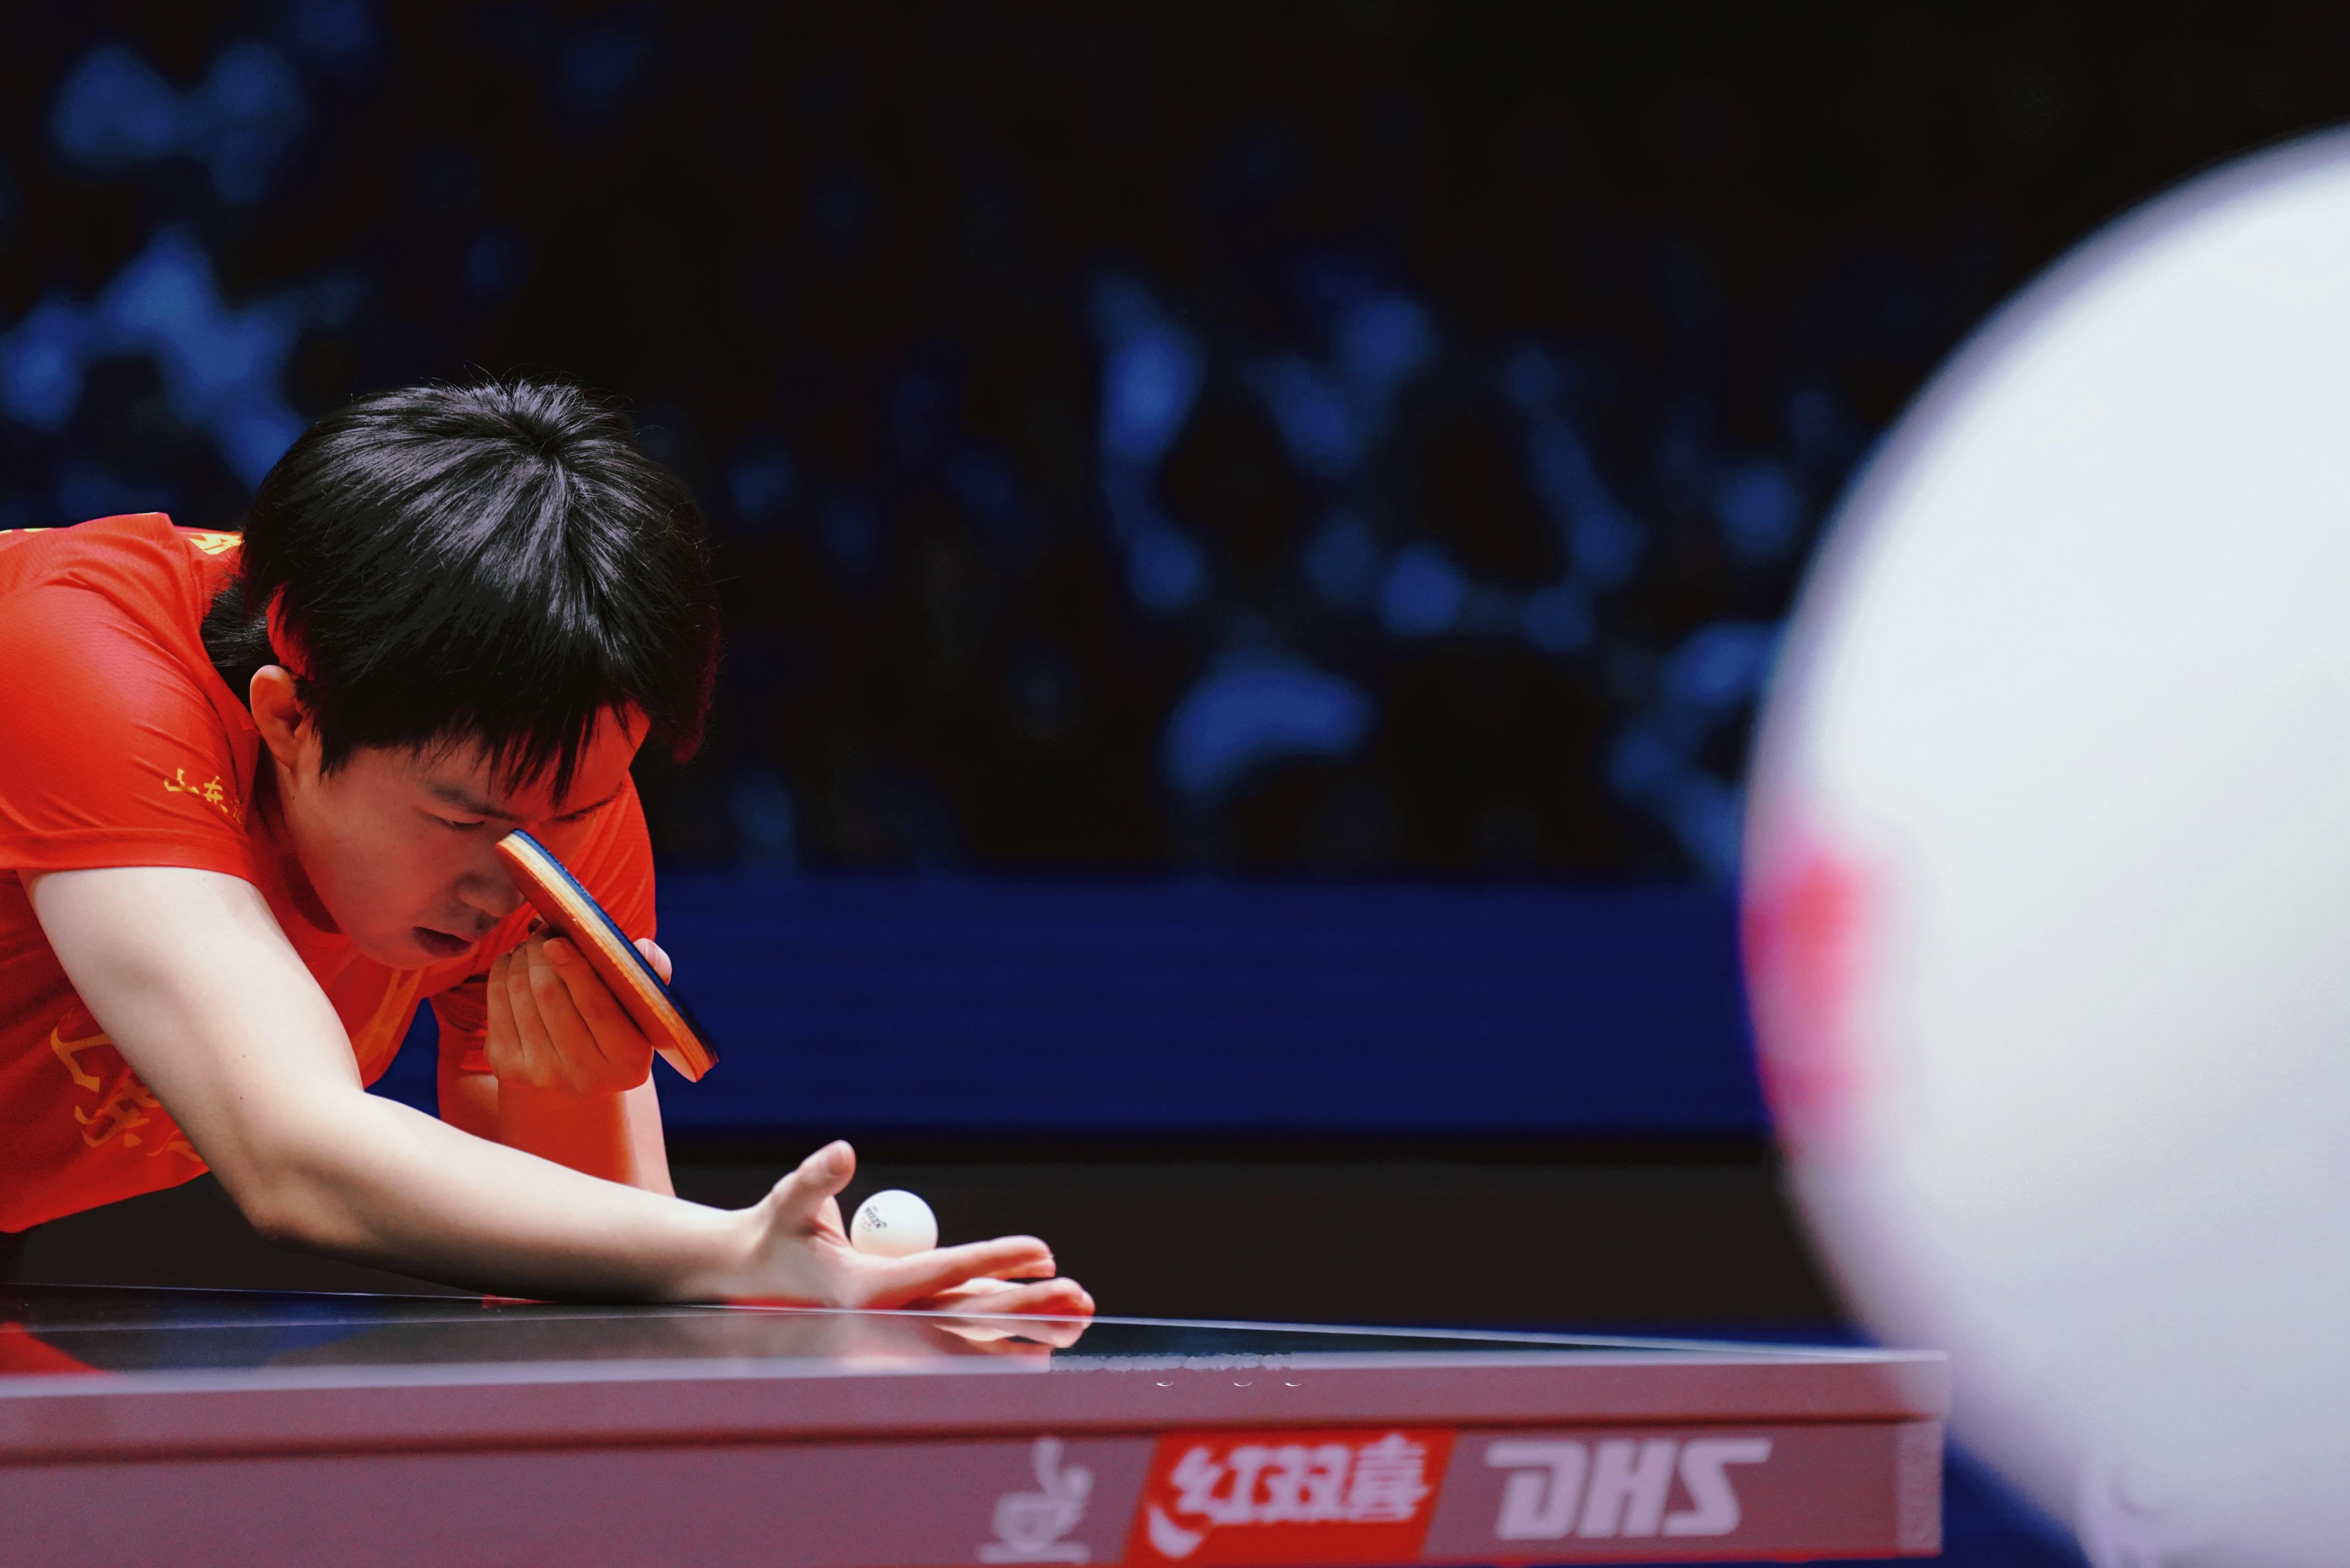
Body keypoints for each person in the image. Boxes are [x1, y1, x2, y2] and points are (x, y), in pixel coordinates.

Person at [0, 377, 1091, 1313]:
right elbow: (296, 1154)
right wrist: (734, 1253)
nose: (515, 880)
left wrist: (584, 1109)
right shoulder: (78, 664)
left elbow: (591, 1304)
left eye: (573, 812)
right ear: (289, 718)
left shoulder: (551, 789)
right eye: (462, 820)